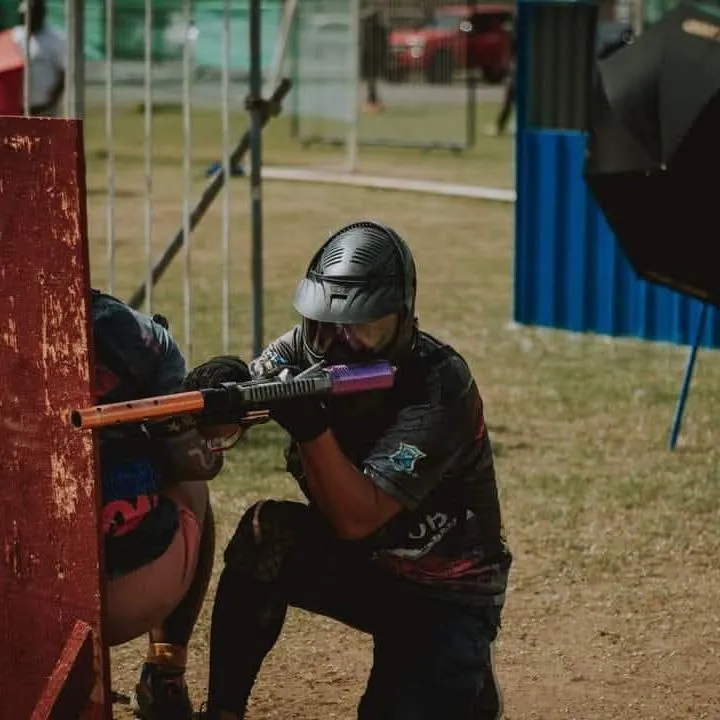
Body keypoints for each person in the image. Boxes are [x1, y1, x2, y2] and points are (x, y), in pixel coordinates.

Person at [194, 220, 513, 719]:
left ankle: (465, 674)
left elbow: (356, 518)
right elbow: (224, 426)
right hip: (364, 569)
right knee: (265, 534)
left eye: (367, 327)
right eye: (325, 324)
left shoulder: (438, 386)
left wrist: (310, 426)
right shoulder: (302, 349)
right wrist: (220, 396)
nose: (342, 342)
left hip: (445, 596)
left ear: (402, 321)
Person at [90, 289, 249, 720]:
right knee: (191, 486)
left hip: (20, 599)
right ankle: (165, 676)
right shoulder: (132, 332)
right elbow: (194, 463)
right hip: (126, 594)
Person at [11, 0, 65, 116]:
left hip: (44, 107)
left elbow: (63, 72)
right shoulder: (13, 36)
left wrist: (53, 100)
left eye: (33, 15)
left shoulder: (56, 38)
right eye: (25, 15)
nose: (29, 19)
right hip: (16, 107)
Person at [361, 10, 389, 113]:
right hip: (373, 57)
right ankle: (372, 98)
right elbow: (384, 44)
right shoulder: (378, 29)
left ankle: (372, 99)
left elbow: (383, 44)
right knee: (372, 80)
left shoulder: (368, 29)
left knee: (371, 80)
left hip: (371, 57)